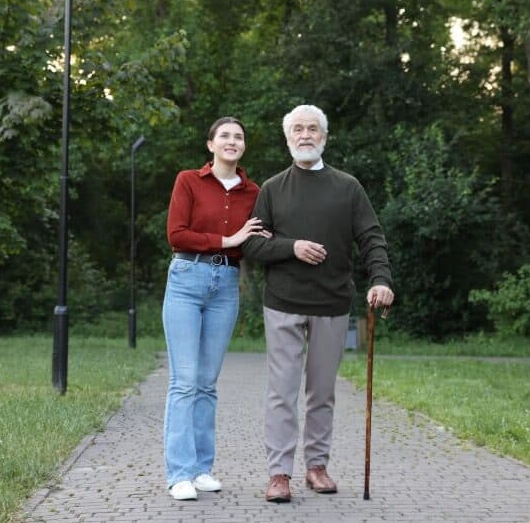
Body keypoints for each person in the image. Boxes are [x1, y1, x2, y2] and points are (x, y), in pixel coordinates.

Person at [241, 104, 394, 503]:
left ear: (324, 138)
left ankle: (317, 467)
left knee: (322, 391)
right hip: (283, 303)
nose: (305, 135)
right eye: (298, 130)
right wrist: (292, 247)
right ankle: (279, 474)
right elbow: (253, 244)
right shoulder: (272, 188)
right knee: (282, 390)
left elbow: (371, 238)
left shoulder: (348, 187)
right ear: (288, 138)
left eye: (313, 129)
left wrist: (381, 279)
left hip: (332, 303)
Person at [162, 117, 269, 501]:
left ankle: (202, 469)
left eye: (239, 136)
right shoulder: (188, 180)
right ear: (211, 144)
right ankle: (179, 474)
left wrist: (261, 239)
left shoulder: (253, 192)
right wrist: (229, 238)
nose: (232, 141)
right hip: (187, 280)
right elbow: (177, 234)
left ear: (244, 146)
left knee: (207, 382)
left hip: (226, 286)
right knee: (184, 381)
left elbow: (255, 239)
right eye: (224, 135)